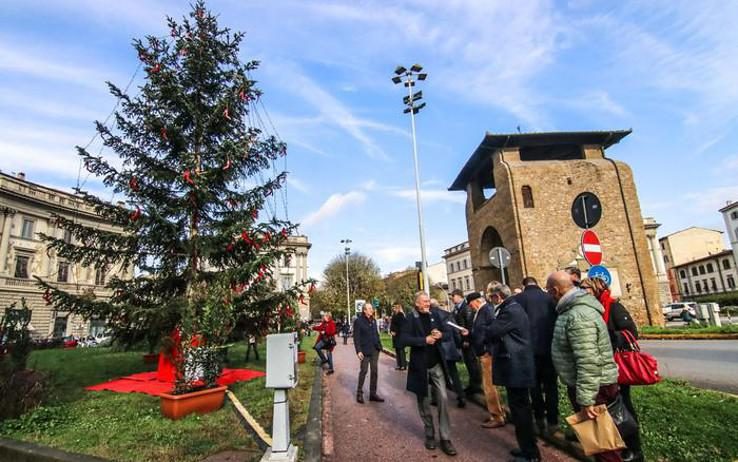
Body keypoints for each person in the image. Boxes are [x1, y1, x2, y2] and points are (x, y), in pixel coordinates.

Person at [546, 271, 622, 462]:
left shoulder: (577, 315)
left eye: (548, 291)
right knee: (601, 445)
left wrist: (587, 399)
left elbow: (588, 359)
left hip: (595, 388)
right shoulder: (574, 310)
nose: (547, 295)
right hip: (593, 386)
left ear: (555, 290)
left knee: (604, 447)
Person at [581, 277, 644, 462]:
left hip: (617, 365)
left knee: (623, 407)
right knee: (606, 410)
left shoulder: (613, 306)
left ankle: (634, 449)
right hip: (602, 366)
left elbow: (632, 332)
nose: (582, 290)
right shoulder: (591, 308)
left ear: (596, 288)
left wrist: (606, 336)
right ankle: (613, 448)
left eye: (585, 287)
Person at [485, 282, 540, 462]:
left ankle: (530, 454)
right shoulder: (512, 307)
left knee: (521, 411)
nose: (491, 301)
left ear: (498, 296)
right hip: (518, 366)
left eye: (492, 297)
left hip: (517, 367)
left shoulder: (509, 310)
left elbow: (493, 330)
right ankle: (526, 448)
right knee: (519, 410)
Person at [398, 291, 457, 456]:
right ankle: (430, 433)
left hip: (436, 363)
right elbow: (402, 340)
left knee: (443, 399)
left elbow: (447, 333)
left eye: (428, 301)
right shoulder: (410, 318)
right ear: (416, 303)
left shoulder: (435, 315)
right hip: (420, 366)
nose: (427, 304)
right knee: (423, 401)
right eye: (424, 302)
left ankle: (445, 438)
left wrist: (440, 335)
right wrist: (423, 340)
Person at [515, 276, 559, 436]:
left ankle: (539, 419)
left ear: (524, 285)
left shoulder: (518, 299)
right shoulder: (550, 298)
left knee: (534, 387)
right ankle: (553, 421)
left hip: (528, 351)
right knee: (551, 386)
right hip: (549, 349)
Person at [464, 291, 506, 428]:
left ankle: (497, 416)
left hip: (487, 353)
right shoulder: (484, 310)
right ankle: (499, 412)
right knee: (490, 385)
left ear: (476, 301)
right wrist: (470, 333)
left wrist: (487, 348)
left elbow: (489, 331)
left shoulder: (486, 310)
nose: (471, 308)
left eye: (471, 305)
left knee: (489, 386)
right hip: (486, 352)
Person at [432, 298, 465, 408]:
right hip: (450, 347)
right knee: (454, 373)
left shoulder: (430, 316)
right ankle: (461, 396)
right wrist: (458, 345)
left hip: (438, 348)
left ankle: (436, 398)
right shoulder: (447, 314)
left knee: (435, 374)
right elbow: (455, 330)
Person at [451, 288, 483, 396]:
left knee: (472, 362)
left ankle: (475, 385)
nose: (451, 298)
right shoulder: (458, 308)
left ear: (459, 296)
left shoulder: (466, 308)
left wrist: (466, 340)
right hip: (464, 339)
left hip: (468, 341)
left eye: (453, 296)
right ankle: (473, 384)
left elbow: (468, 324)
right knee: (469, 363)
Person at [353, 302, 384, 403]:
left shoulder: (373, 320)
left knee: (374, 372)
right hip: (365, 351)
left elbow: (376, 333)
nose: (371, 310)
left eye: (372, 308)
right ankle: (359, 393)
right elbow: (356, 337)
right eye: (369, 309)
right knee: (364, 371)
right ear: (364, 310)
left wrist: (379, 345)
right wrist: (358, 351)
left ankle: (373, 394)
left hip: (375, 350)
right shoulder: (358, 321)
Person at [389, 303, 408, 370]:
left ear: (397, 308)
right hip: (395, 336)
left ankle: (403, 365)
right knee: (397, 350)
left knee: (401, 350)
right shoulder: (394, 315)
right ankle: (399, 364)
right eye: (393, 307)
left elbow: (402, 326)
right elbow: (392, 324)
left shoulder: (401, 315)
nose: (393, 309)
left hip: (400, 335)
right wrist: (391, 331)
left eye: (394, 307)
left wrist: (396, 332)